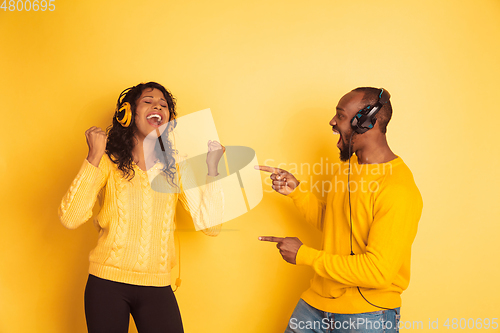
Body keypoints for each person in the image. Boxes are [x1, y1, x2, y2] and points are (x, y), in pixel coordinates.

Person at [58, 82, 225, 333]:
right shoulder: (106, 162)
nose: (157, 105)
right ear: (128, 113)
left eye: (163, 105)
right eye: (148, 101)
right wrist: (93, 156)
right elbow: (70, 218)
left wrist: (213, 169)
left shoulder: (176, 168)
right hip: (107, 284)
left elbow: (211, 227)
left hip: (157, 286)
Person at [256, 87, 423, 333]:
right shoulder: (347, 168)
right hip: (314, 305)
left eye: (341, 116)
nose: (332, 122)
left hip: (367, 315)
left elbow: (377, 271)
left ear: (368, 122)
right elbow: (337, 224)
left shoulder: (398, 188)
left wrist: (304, 255)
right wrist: (297, 192)